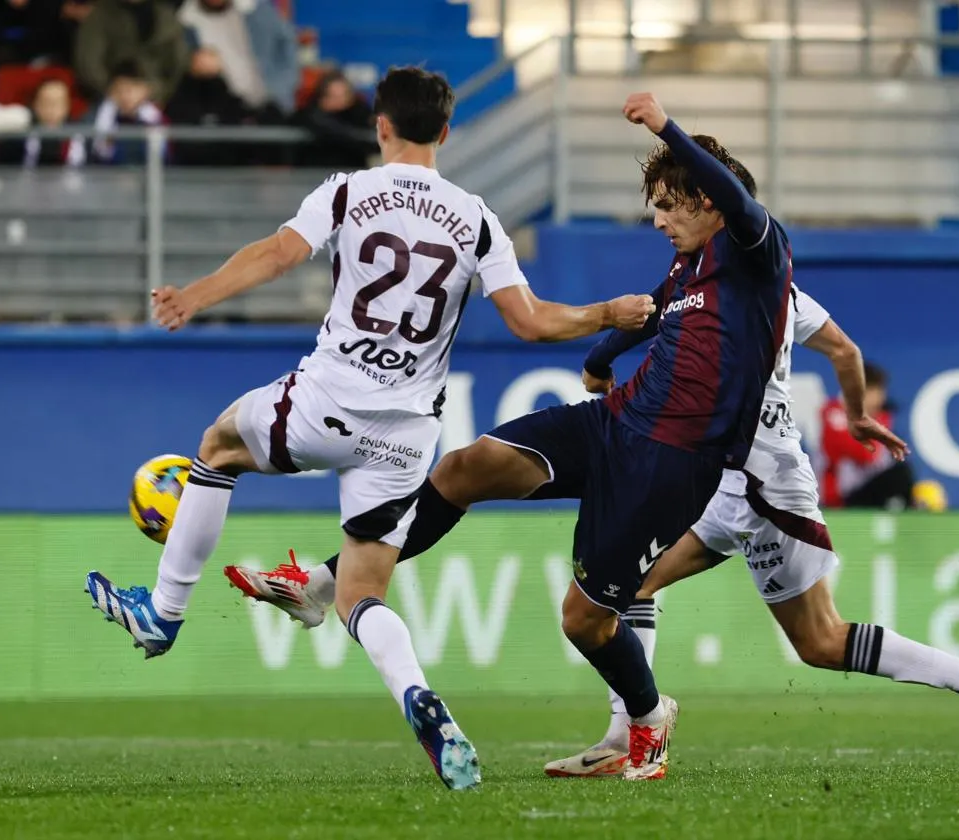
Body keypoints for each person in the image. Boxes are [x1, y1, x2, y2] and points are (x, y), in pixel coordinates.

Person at [83, 66, 655, 791]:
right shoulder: (476, 217)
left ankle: (162, 613)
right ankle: (423, 701)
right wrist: (609, 314)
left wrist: (193, 295)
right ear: (447, 131)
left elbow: (277, 253)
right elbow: (531, 321)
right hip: (406, 436)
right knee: (359, 594)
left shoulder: (349, 191)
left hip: (328, 400)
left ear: (379, 125)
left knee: (219, 445)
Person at [226, 92, 794, 781]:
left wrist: (665, 125)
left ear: (707, 199)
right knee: (465, 467)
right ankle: (320, 586)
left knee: (584, 621)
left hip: (675, 463)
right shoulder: (686, 268)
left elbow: (735, 196)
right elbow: (656, 317)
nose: (658, 218)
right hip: (613, 425)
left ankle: (648, 719)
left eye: (671, 204)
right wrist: (598, 358)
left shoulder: (757, 248)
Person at [542, 287, 959, 776]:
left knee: (820, 641)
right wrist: (859, 415)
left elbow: (657, 314)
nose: (664, 222)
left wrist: (602, 358)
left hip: (767, 488)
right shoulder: (772, 288)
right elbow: (843, 349)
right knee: (630, 586)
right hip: (725, 484)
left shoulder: (730, 285)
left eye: (675, 208)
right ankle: (626, 736)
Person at [177, 0, 298, 117]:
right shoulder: (184, 20)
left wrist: (281, 91)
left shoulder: (258, 10)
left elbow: (287, 52)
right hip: (220, 114)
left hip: (272, 109)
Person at [821, 361, 915, 509]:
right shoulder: (834, 413)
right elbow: (867, 454)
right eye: (877, 392)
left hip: (866, 489)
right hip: (840, 499)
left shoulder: (878, 417)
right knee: (900, 475)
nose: (880, 400)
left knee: (905, 475)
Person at [74, 0, 189, 102]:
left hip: (157, 100)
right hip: (107, 98)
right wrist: (117, 92)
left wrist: (155, 91)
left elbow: (177, 63)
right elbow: (88, 63)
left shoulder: (166, 16)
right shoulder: (100, 15)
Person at [0, 77, 87, 166]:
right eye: (46, 103)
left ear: (67, 106)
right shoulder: (15, 140)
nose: (51, 110)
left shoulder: (83, 138)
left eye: (57, 103)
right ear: (35, 105)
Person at [89, 60, 167, 165]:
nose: (125, 96)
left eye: (130, 89)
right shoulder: (94, 119)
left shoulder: (157, 120)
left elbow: (163, 160)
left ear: (146, 90)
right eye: (119, 90)